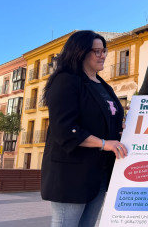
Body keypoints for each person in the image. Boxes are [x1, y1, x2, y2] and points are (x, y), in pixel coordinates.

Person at [41, 30, 128, 227]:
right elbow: (64, 128)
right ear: (79, 52)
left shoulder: (104, 86)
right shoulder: (66, 80)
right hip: (71, 176)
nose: (103, 55)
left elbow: (106, 120)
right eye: (96, 51)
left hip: (98, 174)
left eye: (103, 50)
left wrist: (121, 132)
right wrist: (105, 143)